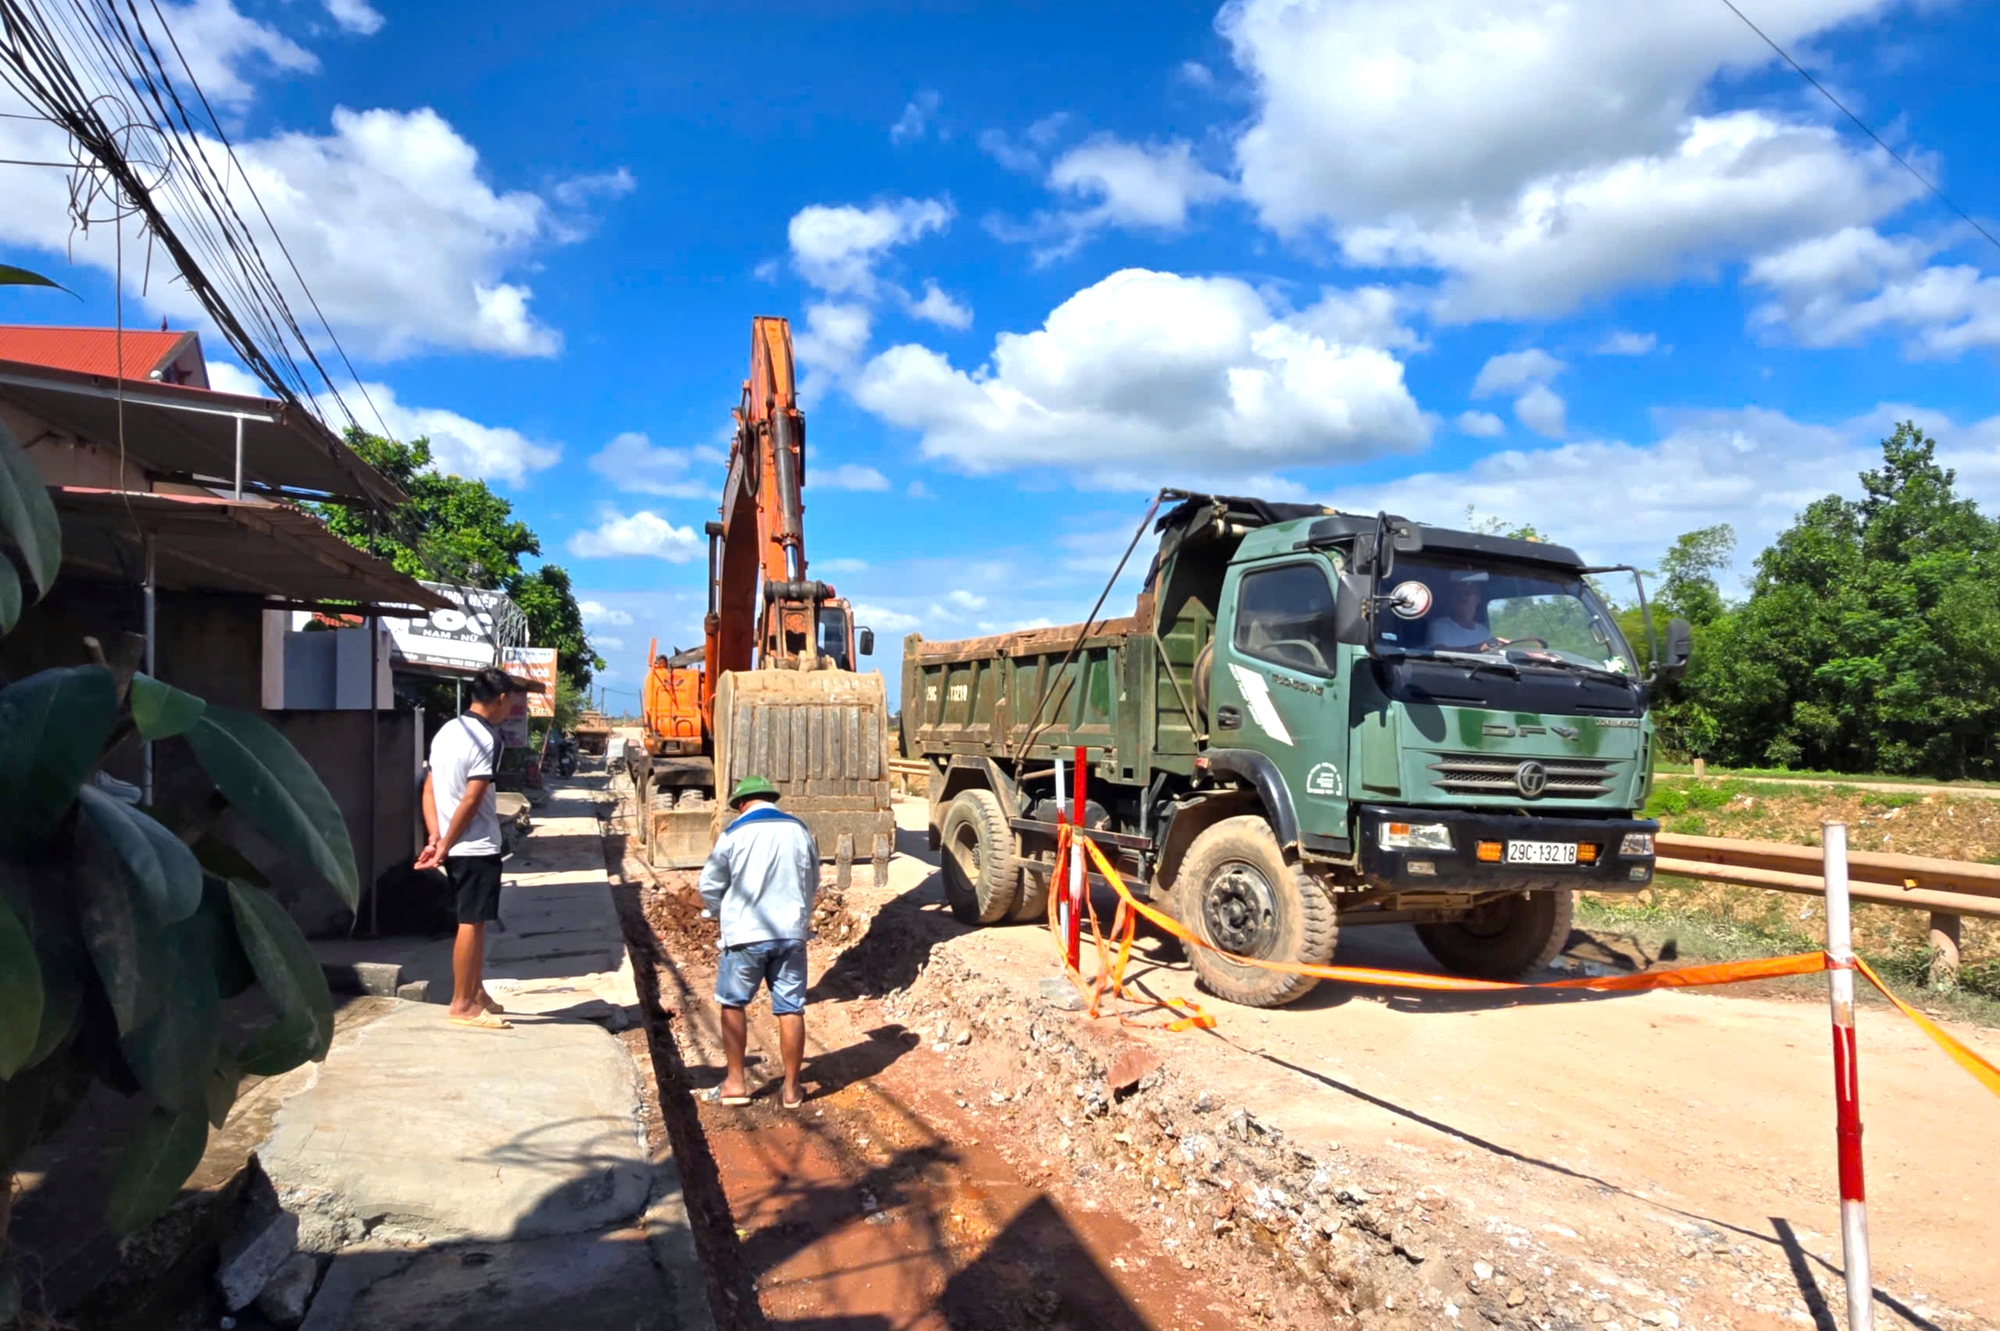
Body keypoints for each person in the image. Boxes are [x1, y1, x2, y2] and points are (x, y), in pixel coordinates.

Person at [415, 666, 525, 1032]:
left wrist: (434, 836)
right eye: (511, 700)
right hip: (474, 846)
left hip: (452, 841)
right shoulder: (487, 739)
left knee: (474, 919)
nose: (512, 707)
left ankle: (476, 992)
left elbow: (429, 788)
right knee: (471, 923)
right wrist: (445, 844)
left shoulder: (448, 730)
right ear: (500, 698)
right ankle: (461, 1003)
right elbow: (473, 798)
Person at [698, 775, 818, 1108]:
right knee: (791, 1007)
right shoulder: (799, 830)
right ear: (771, 799)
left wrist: (719, 912)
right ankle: (792, 1090)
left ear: (741, 804)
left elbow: (709, 884)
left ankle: (735, 1084)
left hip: (745, 937)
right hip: (791, 934)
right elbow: (813, 880)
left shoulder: (734, 833)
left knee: (733, 1003)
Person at [1424, 573, 1496, 651]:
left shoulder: (1484, 632)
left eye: (1468, 593)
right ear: (1453, 599)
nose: (1463, 596)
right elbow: (1439, 653)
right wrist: (1479, 648)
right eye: (1459, 593)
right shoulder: (1441, 625)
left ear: (1478, 598)